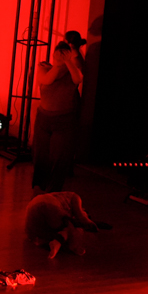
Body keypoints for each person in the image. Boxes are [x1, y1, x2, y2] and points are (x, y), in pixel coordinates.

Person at [32, 37, 84, 193]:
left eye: (64, 54)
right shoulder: (44, 67)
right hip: (44, 119)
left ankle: (53, 190)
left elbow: (78, 79)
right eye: (58, 54)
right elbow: (47, 80)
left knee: (60, 157)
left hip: (64, 120)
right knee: (40, 155)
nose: (60, 57)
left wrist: (68, 61)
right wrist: (58, 64)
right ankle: (38, 187)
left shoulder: (72, 71)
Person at [25, 191, 105, 258]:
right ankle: (67, 244)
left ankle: (57, 240)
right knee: (68, 227)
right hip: (47, 204)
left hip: (33, 212)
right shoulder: (75, 198)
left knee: (53, 232)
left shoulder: (63, 202)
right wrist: (89, 223)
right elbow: (81, 217)